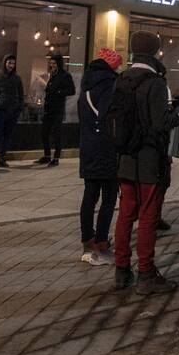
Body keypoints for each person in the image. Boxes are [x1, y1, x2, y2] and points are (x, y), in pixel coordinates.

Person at [113, 31, 178, 294]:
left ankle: (121, 270)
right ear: (155, 52)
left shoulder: (122, 79)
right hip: (150, 159)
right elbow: (160, 123)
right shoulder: (155, 83)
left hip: (126, 158)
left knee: (126, 214)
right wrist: (177, 115)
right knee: (149, 216)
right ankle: (146, 273)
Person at [79, 48, 122, 265]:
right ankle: (102, 241)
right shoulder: (110, 85)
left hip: (88, 146)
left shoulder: (86, 84)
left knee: (89, 195)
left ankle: (87, 240)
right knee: (109, 196)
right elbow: (112, 117)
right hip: (107, 147)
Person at [38, 53, 76, 166]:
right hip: (48, 108)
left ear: (59, 63)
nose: (52, 65)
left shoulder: (65, 76)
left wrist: (59, 92)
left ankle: (56, 158)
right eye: (51, 63)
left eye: (54, 63)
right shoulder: (52, 75)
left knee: (56, 133)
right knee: (44, 132)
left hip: (58, 109)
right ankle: (47, 155)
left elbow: (72, 91)